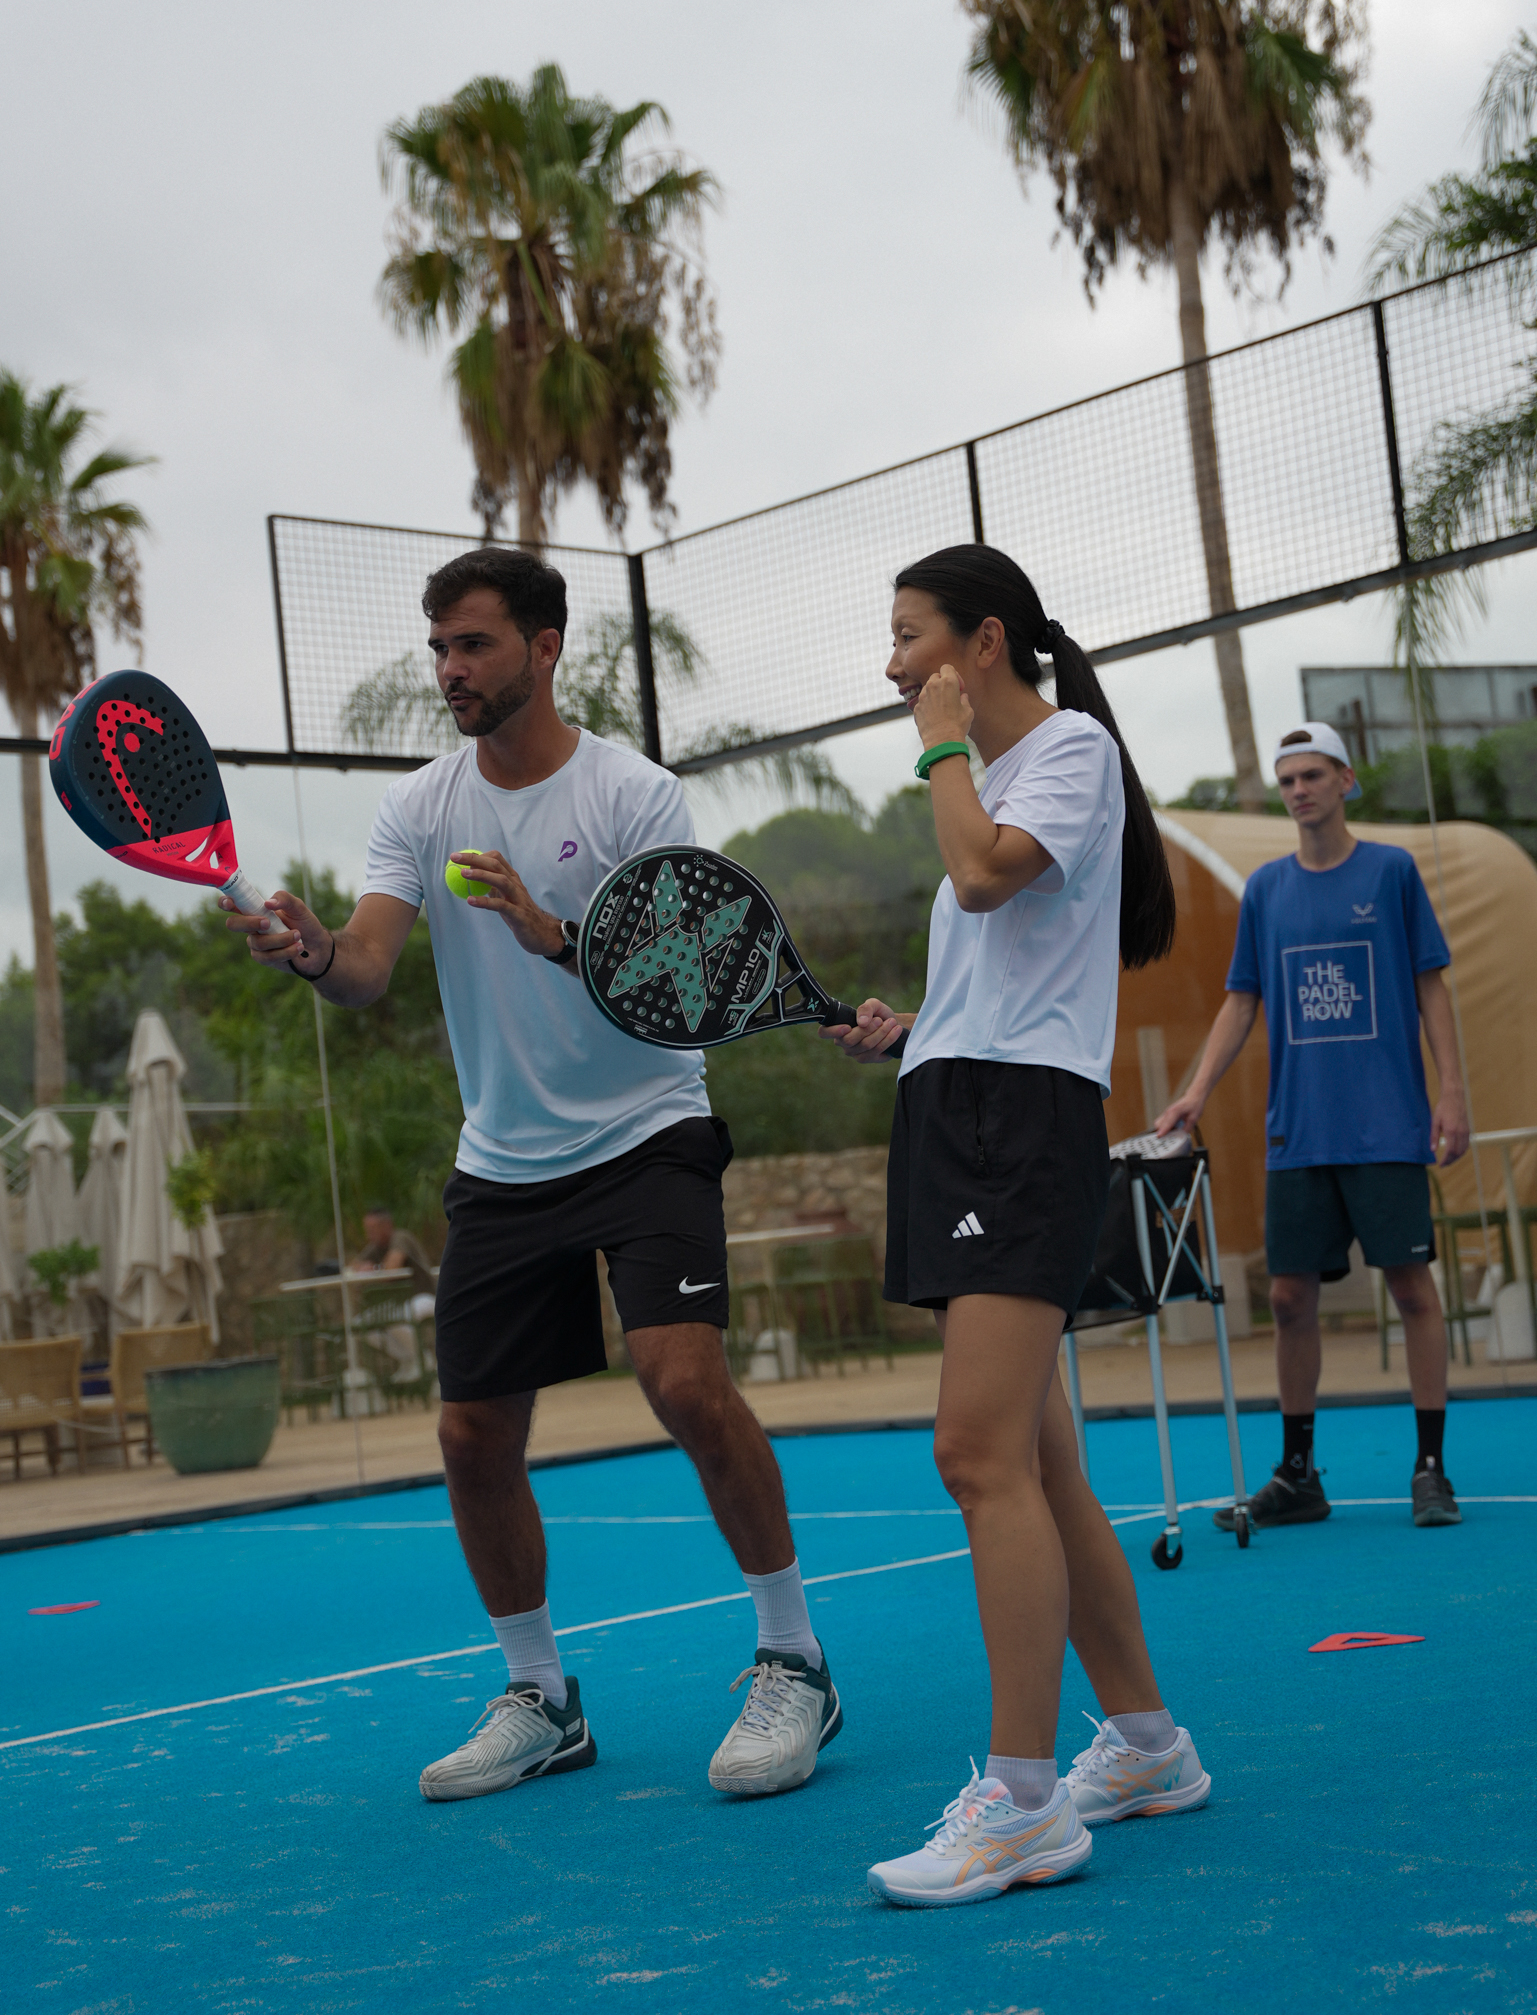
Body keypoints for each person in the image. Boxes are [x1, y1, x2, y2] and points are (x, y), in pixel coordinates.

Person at [222, 547, 840, 1804]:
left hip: (649, 1124)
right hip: (502, 1159)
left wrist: (548, 932)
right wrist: (305, 950)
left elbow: (678, 985)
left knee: (684, 1379)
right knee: (469, 1433)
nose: (450, 668)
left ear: (545, 646)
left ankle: (796, 1659)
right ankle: (543, 1697)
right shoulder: (420, 807)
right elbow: (367, 966)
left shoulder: (633, 793)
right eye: (440, 646)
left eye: (475, 645)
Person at [824, 543, 1207, 1909]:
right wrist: (914, 1034)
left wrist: (939, 754)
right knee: (1038, 1465)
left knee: (974, 1452)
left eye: (909, 635)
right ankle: (1150, 1748)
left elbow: (986, 876)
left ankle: (1024, 1800)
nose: (892, 665)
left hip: (1017, 1131)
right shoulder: (996, 783)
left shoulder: (1067, 758)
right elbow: (1002, 957)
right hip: (962, 1107)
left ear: (983, 643)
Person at [1156, 721, 1469, 1532]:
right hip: (1297, 1132)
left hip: (1386, 1127)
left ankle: (1429, 1470)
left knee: (1410, 1290)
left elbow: (1431, 987)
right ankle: (1298, 1477)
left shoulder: (1392, 873)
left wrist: (1452, 1093)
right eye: (1286, 778)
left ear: (1345, 781)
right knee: (1289, 1297)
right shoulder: (1264, 889)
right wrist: (1193, 1092)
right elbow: (1241, 1000)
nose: (1297, 789)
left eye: (1311, 775)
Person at [351, 1206, 436, 1296]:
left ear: (386, 1225)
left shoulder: (401, 1238)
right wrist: (362, 1267)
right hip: (401, 1299)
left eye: (372, 1230)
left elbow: (391, 1270)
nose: (368, 1235)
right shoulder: (375, 1246)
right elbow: (354, 1265)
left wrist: (374, 1268)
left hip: (424, 1295)